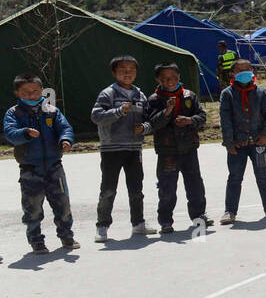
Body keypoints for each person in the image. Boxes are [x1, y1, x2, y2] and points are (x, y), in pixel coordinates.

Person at [4, 74, 78, 253]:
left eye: (35, 91)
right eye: (25, 92)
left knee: (63, 203)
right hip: (30, 169)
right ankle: (36, 240)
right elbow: (10, 133)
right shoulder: (14, 113)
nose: (31, 95)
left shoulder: (51, 111)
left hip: (54, 166)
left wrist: (65, 140)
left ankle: (66, 235)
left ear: (41, 91)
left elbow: (65, 128)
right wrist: (25, 133)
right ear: (17, 93)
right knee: (33, 207)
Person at [90, 55, 156, 241]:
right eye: (122, 70)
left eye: (131, 70)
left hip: (134, 148)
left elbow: (149, 120)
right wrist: (119, 111)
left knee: (136, 188)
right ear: (114, 73)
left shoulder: (140, 95)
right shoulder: (107, 94)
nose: (127, 73)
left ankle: (138, 224)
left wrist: (144, 128)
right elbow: (96, 116)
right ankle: (102, 226)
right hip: (111, 149)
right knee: (108, 189)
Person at [219, 59, 266, 224]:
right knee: (235, 178)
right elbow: (226, 121)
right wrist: (229, 143)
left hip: (259, 144)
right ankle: (230, 211)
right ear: (232, 73)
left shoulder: (261, 92)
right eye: (239, 70)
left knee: (263, 176)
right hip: (238, 145)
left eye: (247, 69)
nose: (244, 73)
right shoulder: (227, 94)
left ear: (253, 71)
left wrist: (265, 135)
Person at [144, 62, 210, 234]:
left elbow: (202, 116)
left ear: (179, 77)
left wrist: (190, 121)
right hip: (167, 151)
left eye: (173, 77)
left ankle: (199, 215)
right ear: (158, 80)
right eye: (165, 78)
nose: (170, 81)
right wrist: (167, 111)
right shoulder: (154, 99)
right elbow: (153, 124)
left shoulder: (189, 95)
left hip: (189, 148)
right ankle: (165, 220)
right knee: (167, 187)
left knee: (195, 184)